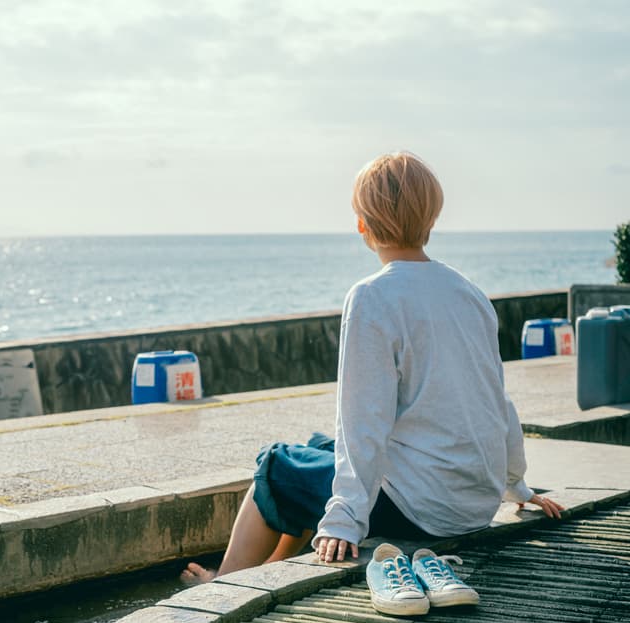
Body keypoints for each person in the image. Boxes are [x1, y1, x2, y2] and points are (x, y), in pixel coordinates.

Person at [182, 151, 563, 590]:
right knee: (317, 446)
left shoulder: (372, 297)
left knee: (276, 466)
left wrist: (345, 518)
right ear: (432, 219)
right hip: (473, 503)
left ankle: (223, 585)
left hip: (420, 511)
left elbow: (363, 419)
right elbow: (497, 401)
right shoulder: (470, 294)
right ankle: (271, 567)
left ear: (362, 225)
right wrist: (516, 484)